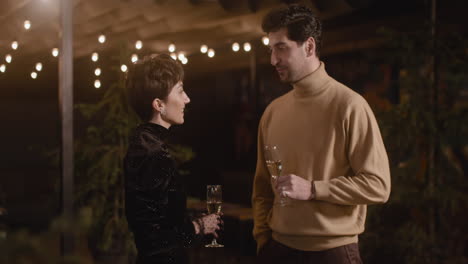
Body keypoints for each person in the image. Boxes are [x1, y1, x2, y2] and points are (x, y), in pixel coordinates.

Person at [252, 4, 391, 264]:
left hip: (333, 253)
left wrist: (315, 189)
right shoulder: (272, 112)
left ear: (309, 47)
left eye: (281, 48)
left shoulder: (350, 105)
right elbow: (262, 189)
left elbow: (379, 186)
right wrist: (262, 239)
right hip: (277, 250)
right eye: (271, 49)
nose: (272, 59)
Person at [124, 54, 222, 264]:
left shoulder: (143, 145)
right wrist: (200, 226)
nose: (187, 98)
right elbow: (157, 237)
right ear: (159, 104)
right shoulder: (154, 154)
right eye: (180, 90)